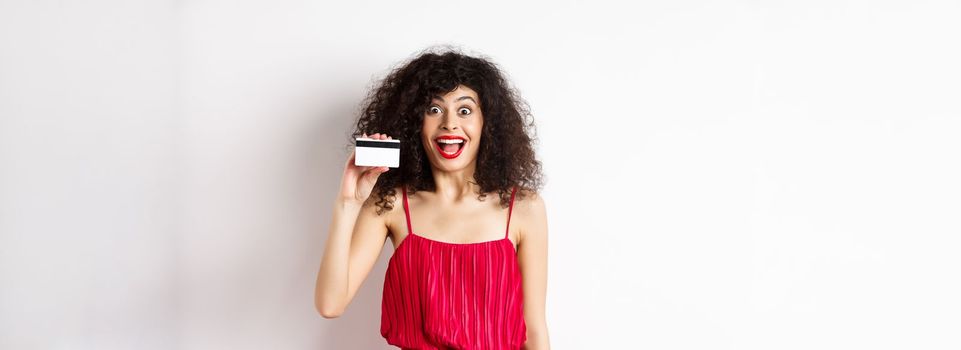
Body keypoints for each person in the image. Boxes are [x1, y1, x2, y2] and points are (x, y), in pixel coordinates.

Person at [314, 46, 550, 350]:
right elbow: (330, 305)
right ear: (415, 123)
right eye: (434, 109)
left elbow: (534, 329)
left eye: (464, 110)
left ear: (486, 123)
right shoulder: (391, 204)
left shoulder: (523, 207)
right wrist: (348, 203)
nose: (449, 124)